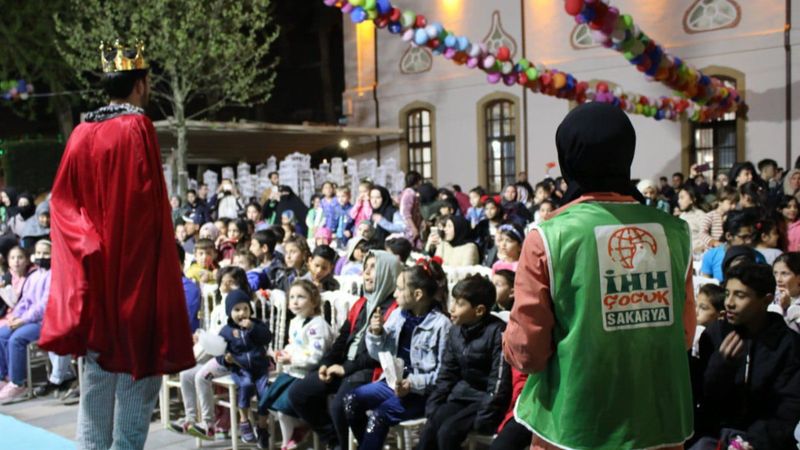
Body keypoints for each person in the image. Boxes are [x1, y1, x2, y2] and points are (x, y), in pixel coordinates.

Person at [504, 103, 696, 449]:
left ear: (568, 158)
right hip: (659, 421)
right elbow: (683, 335)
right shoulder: (675, 232)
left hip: (575, 425)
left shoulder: (548, 237)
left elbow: (528, 352)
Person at [39, 43, 195, 450]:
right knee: (136, 372)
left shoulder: (80, 132)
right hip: (132, 276)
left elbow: (61, 202)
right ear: (140, 85)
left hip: (96, 276)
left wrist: (87, 245)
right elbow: (145, 209)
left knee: (96, 378)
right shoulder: (136, 127)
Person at [287, 250, 403, 449]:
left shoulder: (394, 310)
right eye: (365, 268)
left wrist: (345, 369)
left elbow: (379, 355)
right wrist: (326, 363)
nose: (366, 273)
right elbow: (342, 339)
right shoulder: (361, 303)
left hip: (369, 370)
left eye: (373, 268)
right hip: (344, 366)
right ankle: (334, 441)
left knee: (339, 406)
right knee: (298, 393)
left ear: (387, 272)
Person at [345, 259, 451, 450]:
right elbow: (378, 354)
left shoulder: (441, 325)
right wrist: (376, 333)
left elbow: (443, 374)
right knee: (351, 401)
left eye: (400, 289)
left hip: (421, 393)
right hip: (392, 383)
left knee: (379, 416)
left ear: (417, 294)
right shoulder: (398, 315)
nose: (395, 294)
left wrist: (413, 384)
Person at [692, 263, 800, 449]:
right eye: (727, 294)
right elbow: (706, 398)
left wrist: (750, 443)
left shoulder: (788, 345)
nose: (729, 303)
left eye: (740, 295)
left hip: (765, 441)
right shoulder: (715, 334)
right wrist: (721, 365)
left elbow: (787, 407)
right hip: (715, 436)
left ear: (766, 300)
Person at [417, 274, 511, 450]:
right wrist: (434, 406)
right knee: (430, 429)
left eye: (459, 304)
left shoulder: (497, 333)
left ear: (479, 310)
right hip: (460, 396)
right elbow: (447, 373)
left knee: (447, 433)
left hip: (483, 401)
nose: (451, 308)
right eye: (453, 302)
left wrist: (484, 418)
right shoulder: (456, 332)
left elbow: (499, 383)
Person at [260, 280, 334, 450]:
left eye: (301, 297)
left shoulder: (318, 326)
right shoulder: (295, 321)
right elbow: (294, 344)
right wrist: (284, 353)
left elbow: (316, 356)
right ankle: (294, 433)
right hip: (292, 372)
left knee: (283, 408)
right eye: (292, 297)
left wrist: (292, 359)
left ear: (313, 301)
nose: (295, 301)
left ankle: (294, 435)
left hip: (308, 374)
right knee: (271, 403)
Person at [0, 240, 53, 403]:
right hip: (26, 319)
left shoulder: (54, 275)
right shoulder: (33, 276)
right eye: (39, 253)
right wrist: (15, 316)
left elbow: (43, 305)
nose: (41, 256)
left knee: (17, 339)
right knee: (2, 334)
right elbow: (25, 301)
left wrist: (23, 320)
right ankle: (4, 377)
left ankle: (18, 383)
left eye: (46, 253)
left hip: (44, 321)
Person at [217, 288, 271, 447]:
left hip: (260, 368)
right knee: (246, 385)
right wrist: (225, 359)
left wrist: (252, 327)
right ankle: (244, 421)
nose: (242, 313)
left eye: (245, 308)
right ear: (229, 312)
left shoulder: (257, 325)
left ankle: (262, 427)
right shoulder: (226, 331)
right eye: (237, 309)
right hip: (240, 369)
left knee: (265, 393)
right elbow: (219, 352)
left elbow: (267, 337)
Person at [700, 209, 762, 281]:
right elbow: (706, 284)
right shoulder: (711, 255)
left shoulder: (758, 258)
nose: (749, 241)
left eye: (752, 236)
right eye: (744, 237)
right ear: (729, 236)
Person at [770, 252, 800, 333]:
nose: (778, 279)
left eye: (784, 274)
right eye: (775, 273)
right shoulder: (770, 298)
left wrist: (786, 309)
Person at [677, 186, 707, 254]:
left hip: (698, 255)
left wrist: (697, 249)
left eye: (682, 197)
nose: (678, 201)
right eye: (678, 198)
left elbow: (708, 239)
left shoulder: (700, 215)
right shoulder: (682, 216)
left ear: (692, 199)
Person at [399, 171, 423, 248]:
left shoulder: (409, 192)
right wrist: (413, 228)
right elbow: (406, 213)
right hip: (409, 228)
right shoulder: (409, 193)